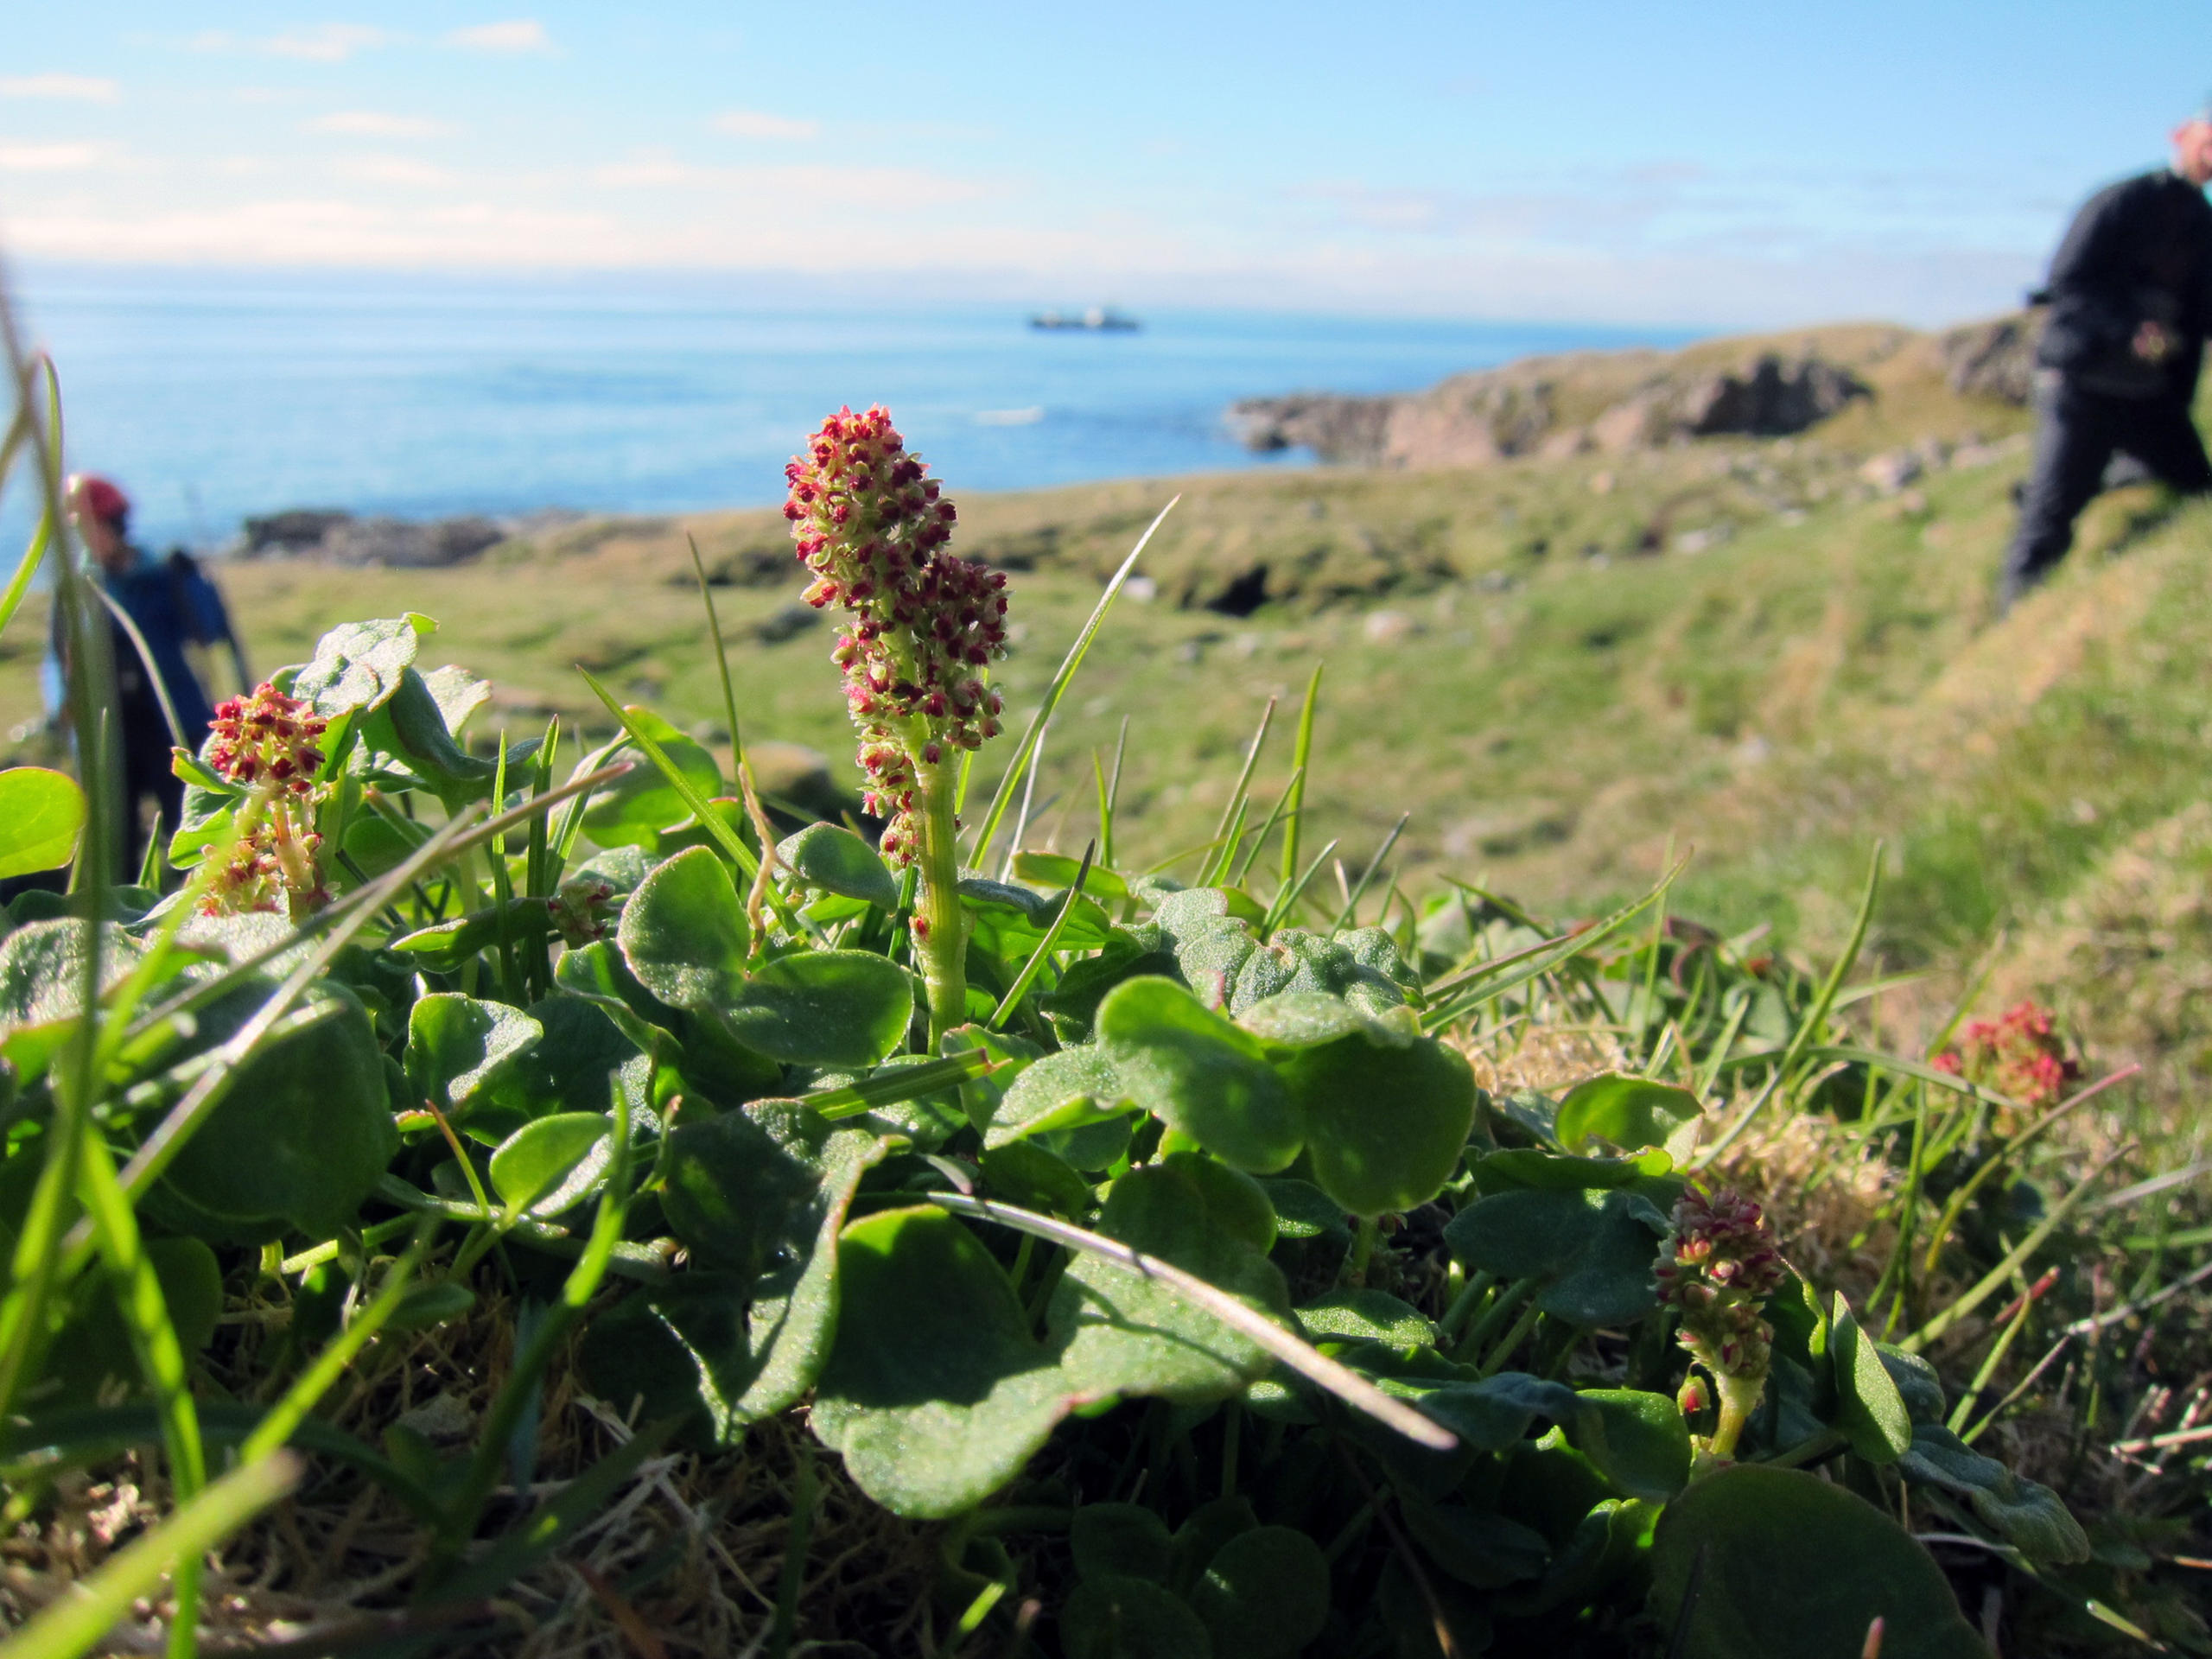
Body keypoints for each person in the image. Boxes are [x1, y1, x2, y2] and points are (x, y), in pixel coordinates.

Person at [1998, 108, 2212, 612]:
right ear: (2182, 135)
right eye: (2209, 139)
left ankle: (2091, 480)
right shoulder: (2120, 201)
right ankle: (2010, 637)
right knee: (2047, 523)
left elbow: (2199, 317)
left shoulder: (2203, 224)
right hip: (2080, 386)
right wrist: (2128, 332)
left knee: (2198, 487)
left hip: (2147, 396)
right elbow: (2066, 284)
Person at [47, 474, 246, 876]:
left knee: (190, 828)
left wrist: (197, 583)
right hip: (110, 732)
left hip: (172, 722)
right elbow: (60, 661)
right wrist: (63, 719)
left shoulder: (163, 576)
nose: (87, 540)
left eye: (92, 529)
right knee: (112, 841)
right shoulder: (76, 591)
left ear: (114, 526)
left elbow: (208, 633)